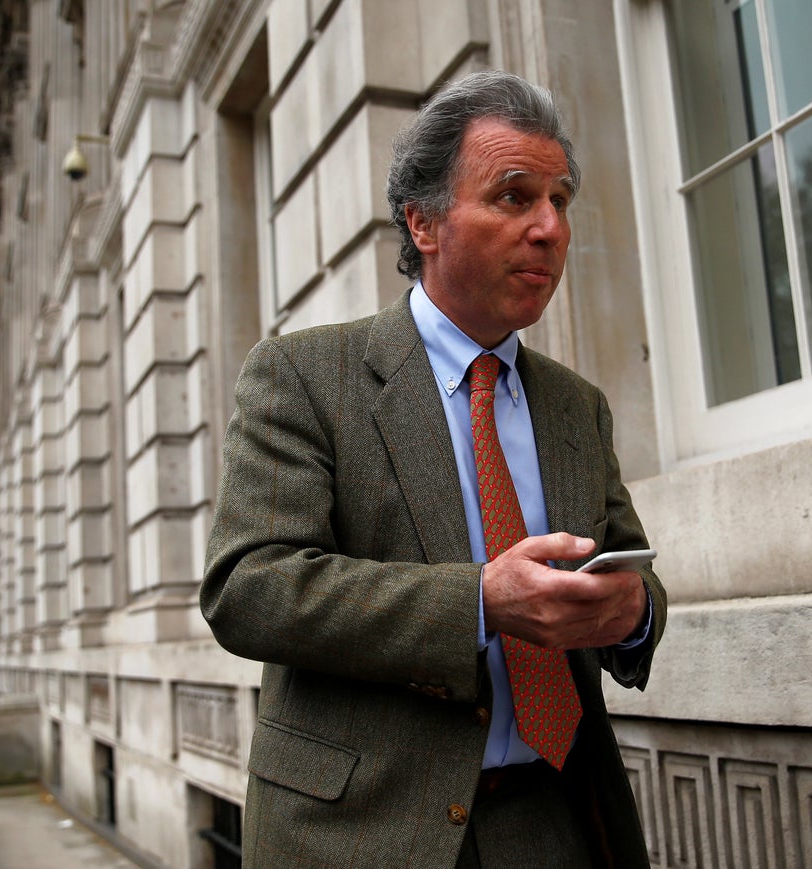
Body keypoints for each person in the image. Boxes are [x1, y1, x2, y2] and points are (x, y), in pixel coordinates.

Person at [201, 69, 666, 868]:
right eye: (515, 196)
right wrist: (480, 602)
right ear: (424, 224)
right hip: (360, 833)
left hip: (558, 823)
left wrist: (633, 614)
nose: (550, 227)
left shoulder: (576, 406)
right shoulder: (303, 375)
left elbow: (633, 576)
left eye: (560, 200)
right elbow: (249, 587)